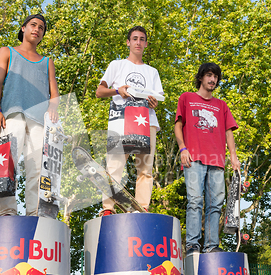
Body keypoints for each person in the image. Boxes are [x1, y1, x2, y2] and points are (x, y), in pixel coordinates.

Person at [0, 14, 60, 217]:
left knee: (37, 168)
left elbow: (54, 94)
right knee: (7, 162)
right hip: (12, 114)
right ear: (23, 28)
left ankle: (34, 212)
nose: (37, 29)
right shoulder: (7, 52)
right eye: (33, 25)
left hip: (39, 120)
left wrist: (53, 108)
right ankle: (7, 211)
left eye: (41, 28)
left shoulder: (47, 62)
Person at [174, 63, 240, 254]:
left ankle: (211, 246)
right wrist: (182, 148)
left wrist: (233, 157)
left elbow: (229, 132)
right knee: (195, 201)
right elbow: (178, 125)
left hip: (217, 161)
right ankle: (192, 245)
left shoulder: (221, 105)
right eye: (209, 75)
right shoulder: (187, 98)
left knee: (215, 205)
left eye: (216, 77)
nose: (213, 80)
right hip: (193, 158)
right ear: (201, 77)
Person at [95, 26, 162, 215]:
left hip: (146, 121)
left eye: (142, 39)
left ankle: (142, 208)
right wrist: (118, 91)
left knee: (145, 168)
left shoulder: (152, 71)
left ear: (146, 44)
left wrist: (153, 101)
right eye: (134, 39)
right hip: (120, 120)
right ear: (128, 42)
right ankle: (108, 209)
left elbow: (158, 99)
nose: (138, 42)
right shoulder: (116, 65)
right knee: (114, 167)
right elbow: (100, 91)